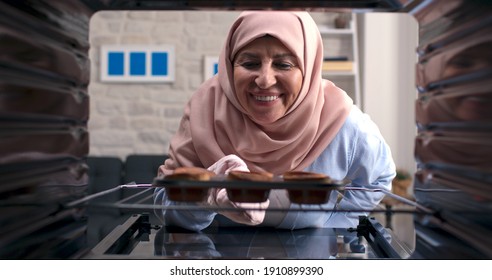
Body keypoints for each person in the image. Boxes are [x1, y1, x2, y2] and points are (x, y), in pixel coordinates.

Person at [154, 11, 396, 231]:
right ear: (229, 66)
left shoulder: (341, 122)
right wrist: (205, 199)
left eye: (283, 64)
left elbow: (380, 177)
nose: (265, 80)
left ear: (308, 69)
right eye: (250, 63)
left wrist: (333, 228)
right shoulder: (203, 111)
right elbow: (164, 206)